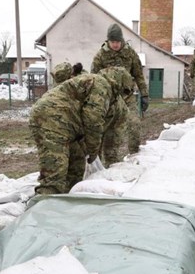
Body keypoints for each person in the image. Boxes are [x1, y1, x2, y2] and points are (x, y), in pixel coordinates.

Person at [29, 66, 133, 195]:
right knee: (55, 172)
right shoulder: (101, 85)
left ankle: (68, 200)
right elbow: (93, 119)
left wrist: (88, 149)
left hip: (66, 124)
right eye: (124, 91)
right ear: (119, 83)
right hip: (50, 120)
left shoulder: (105, 89)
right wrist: (93, 150)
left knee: (77, 165)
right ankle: (43, 207)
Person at [91, 23, 147, 154]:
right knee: (104, 131)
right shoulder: (100, 56)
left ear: (121, 40)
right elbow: (93, 79)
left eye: (117, 41)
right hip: (108, 99)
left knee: (134, 125)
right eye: (112, 41)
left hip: (127, 96)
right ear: (108, 41)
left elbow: (138, 75)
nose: (115, 44)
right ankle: (98, 162)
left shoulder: (130, 53)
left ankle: (134, 155)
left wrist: (144, 94)